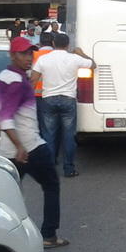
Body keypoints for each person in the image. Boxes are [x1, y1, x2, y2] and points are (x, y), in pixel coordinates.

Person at [0, 36, 69, 249]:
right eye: (23, 54)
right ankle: (48, 235)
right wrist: (20, 144)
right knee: (51, 185)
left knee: (9, 195)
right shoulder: (17, 82)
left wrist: (9, 137)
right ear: (12, 55)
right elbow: (5, 117)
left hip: (7, 150)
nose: (28, 58)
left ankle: (5, 238)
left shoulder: (2, 77)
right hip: (30, 147)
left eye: (30, 53)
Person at [30, 34, 96, 178]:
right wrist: (80, 52)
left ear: (53, 43)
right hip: (68, 100)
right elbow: (93, 65)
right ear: (68, 44)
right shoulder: (74, 58)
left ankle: (49, 167)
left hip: (48, 99)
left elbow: (33, 79)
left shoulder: (43, 59)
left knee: (48, 135)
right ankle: (69, 168)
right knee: (68, 136)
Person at [32, 32, 55, 137]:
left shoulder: (33, 55)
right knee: (52, 126)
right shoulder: (57, 55)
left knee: (40, 125)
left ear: (40, 42)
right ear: (53, 43)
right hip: (54, 94)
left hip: (37, 96)